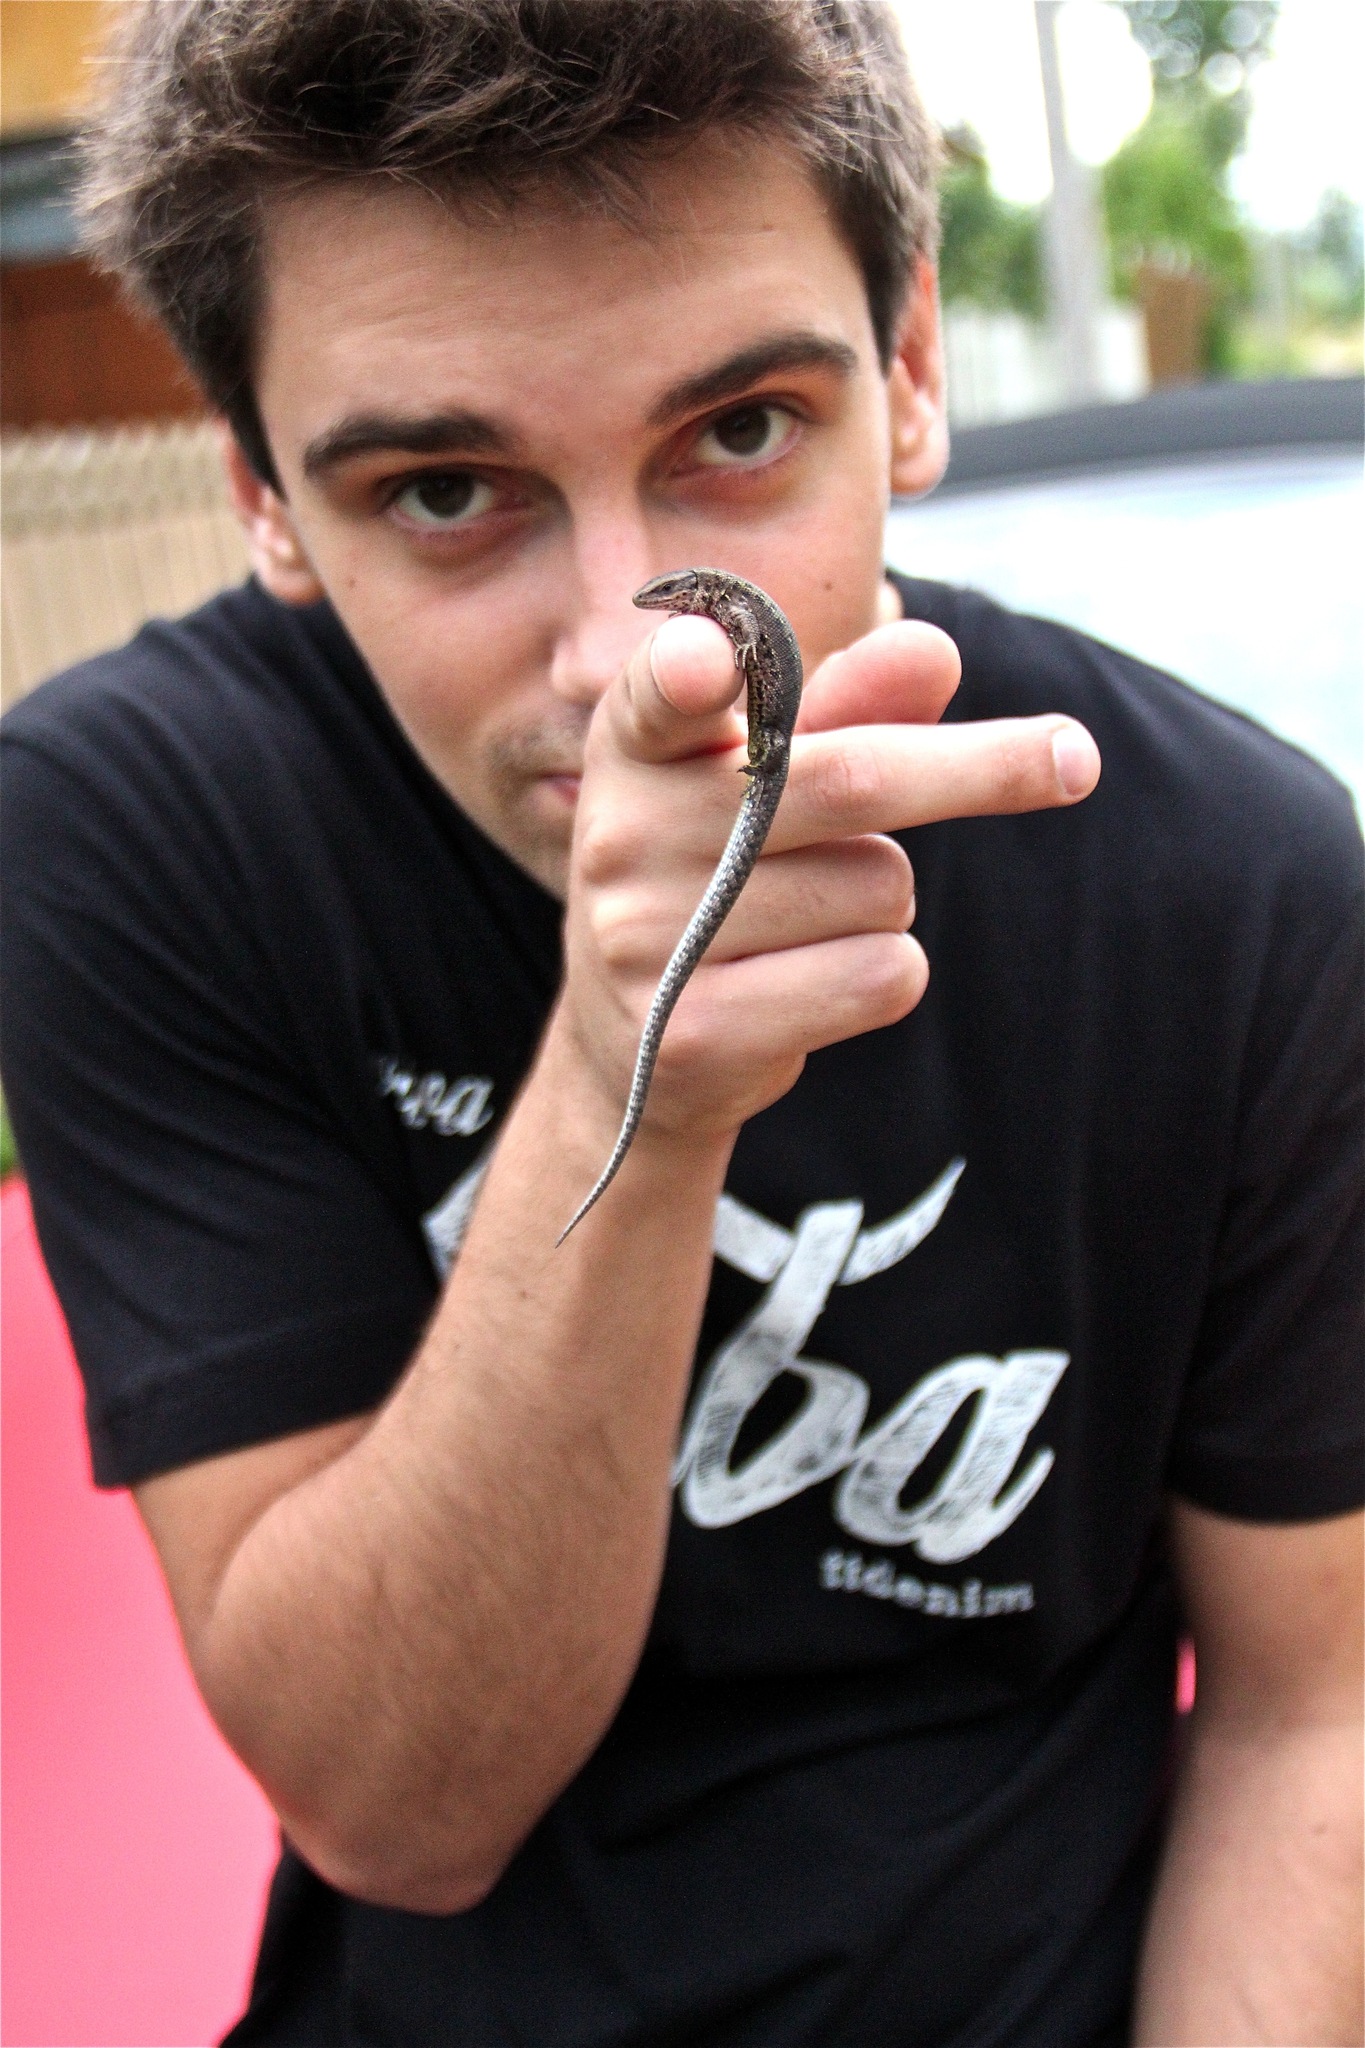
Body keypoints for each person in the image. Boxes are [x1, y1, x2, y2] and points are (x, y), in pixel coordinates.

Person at [2, 2, 1360, 2042]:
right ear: (263, 495)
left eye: (736, 434)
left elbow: (1309, 1710)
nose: (640, 656)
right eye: (444, 488)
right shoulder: (144, 833)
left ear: (908, 372)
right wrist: (626, 1079)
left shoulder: (1228, 881)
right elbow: (394, 1808)